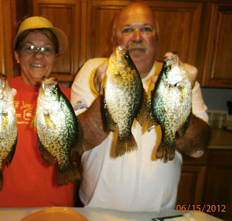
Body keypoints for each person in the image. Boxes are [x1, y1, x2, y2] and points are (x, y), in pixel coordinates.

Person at [71, 2, 211, 212]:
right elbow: (77, 142)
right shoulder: (94, 71)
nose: (137, 37)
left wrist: (176, 101)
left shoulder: (177, 76)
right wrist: (108, 95)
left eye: (146, 29)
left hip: (159, 212)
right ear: (114, 40)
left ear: (157, 37)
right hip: (95, 209)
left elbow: (197, 148)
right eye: (127, 30)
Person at [0, 16, 76, 207]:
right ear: (17, 55)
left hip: (52, 207)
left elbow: (88, 140)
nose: (38, 56)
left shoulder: (72, 98)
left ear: (55, 57)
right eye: (29, 48)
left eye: (46, 49)